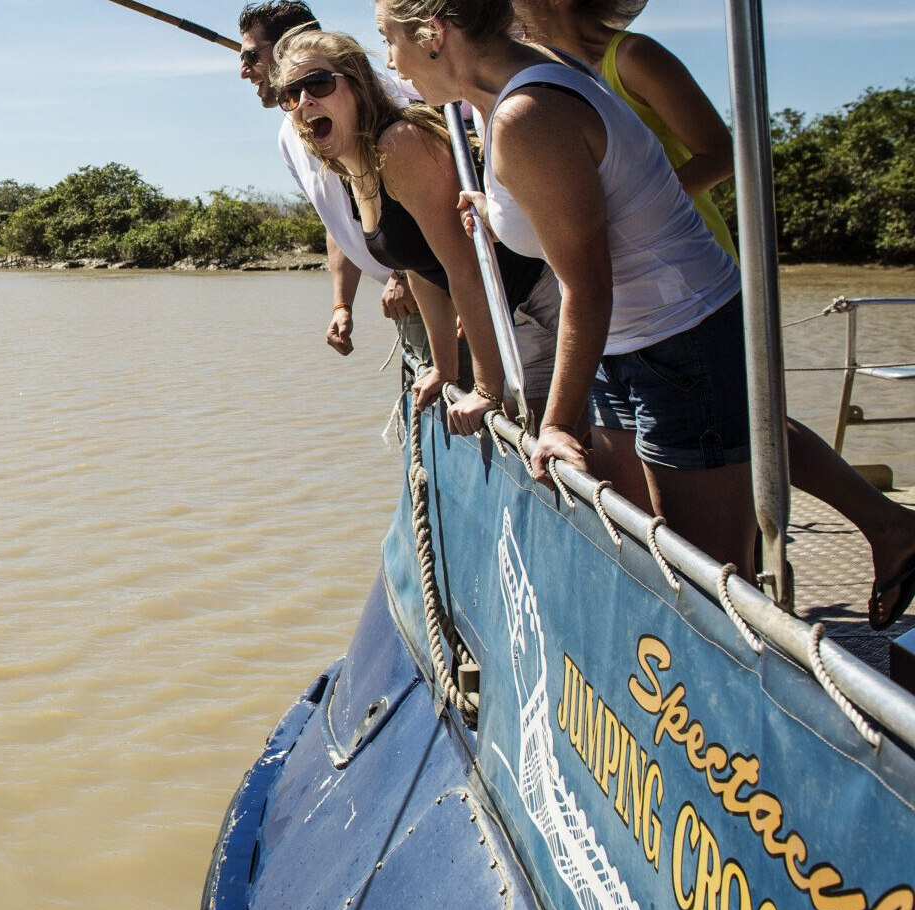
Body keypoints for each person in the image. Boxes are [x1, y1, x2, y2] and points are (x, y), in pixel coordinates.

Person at [513, 0, 915, 628]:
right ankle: (882, 523)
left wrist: (632, 199)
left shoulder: (631, 58)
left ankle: (848, 543)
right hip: (626, 298)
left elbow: (720, 152)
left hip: (683, 274)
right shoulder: (542, 78)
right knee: (742, 429)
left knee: (740, 431)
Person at [373, 0, 756, 572]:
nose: (391, 62)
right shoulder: (513, 89)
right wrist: (496, 212)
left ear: (434, 33)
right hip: (625, 345)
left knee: (709, 576)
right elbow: (570, 195)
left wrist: (551, 426)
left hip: (684, 336)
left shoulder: (525, 114)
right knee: (645, 549)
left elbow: (588, 285)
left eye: (390, 39)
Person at [273, 30, 562, 435]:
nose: (305, 101)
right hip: (507, 310)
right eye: (291, 94)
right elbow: (419, 267)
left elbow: (464, 267)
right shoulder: (353, 168)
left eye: (318, 83)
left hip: (539, 297)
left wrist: (486, 389)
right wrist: (444, 369)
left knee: (536, 443)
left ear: (357, 85)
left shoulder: (399, 144)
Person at [239, 2, 420, 357]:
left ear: (289, 45)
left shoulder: (376, 99)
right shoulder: (289, 134)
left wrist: (408, 274)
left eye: (250, 57)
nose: (244, 71)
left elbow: (433, 195)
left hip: (436, 285)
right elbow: (337, 220)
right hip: (403, 299)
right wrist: (342, 305)